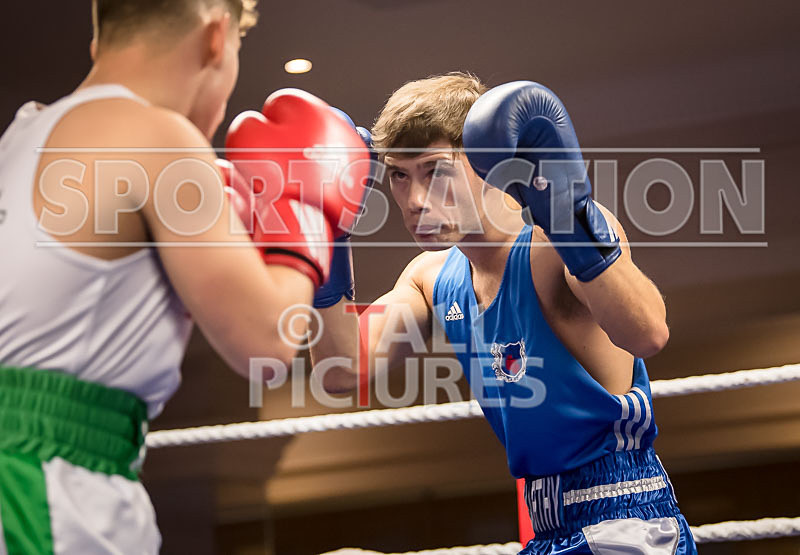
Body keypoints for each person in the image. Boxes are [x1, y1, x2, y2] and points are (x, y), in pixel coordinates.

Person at [0, 0, 368, 552]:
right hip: (43, 488)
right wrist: (304, 205)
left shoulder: (23, 133)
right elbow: (267, 344)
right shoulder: (161, 140)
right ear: (216, 37)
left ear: (101, 40)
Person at [309, 73, 698, 554]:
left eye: (435, 171)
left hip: (626, 527)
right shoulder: (431, 278)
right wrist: (325, 237)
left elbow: (648, 333)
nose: (414, 201)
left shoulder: (554, 245)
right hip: (549, 530)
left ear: (488, 163)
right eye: (399, 176)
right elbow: (341, 369)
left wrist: (569, 217)